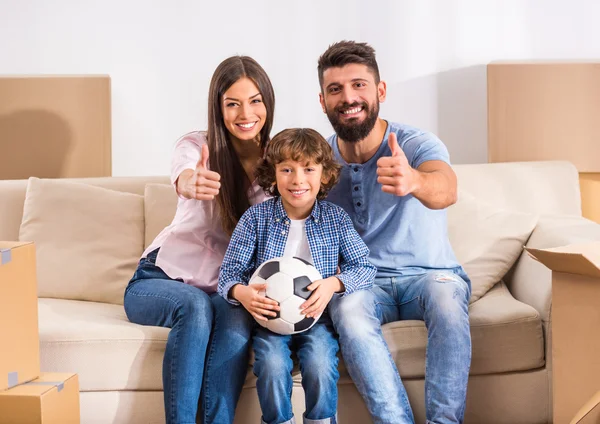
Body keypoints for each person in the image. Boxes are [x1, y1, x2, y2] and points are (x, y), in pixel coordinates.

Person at [317, 40, 472, 424]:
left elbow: (447, 189)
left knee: (449, 304)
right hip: (363, 281)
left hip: (429, 274)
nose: (348, 98)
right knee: (348, 311)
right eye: (335, 90)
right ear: (322, 101)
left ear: (380, 91)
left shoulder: (415, 144)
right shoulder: (318, 160)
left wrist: (414, 180)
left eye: (359, 85)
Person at [123, 55, 275, 424]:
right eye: (232, 103)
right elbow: (183, 169)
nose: (245, 113)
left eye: (255, 100)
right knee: (194, 307)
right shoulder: (198, 146)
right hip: (159, 280)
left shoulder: (277, 165)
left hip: (225, 290)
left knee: (236, 322)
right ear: (217, 107)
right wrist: (189, 181)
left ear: (268, 103)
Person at [218, 128, 377, 424]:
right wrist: (242, 294)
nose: (298, 180)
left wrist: (334, 284)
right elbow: (229, 273)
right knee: (272, 364)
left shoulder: (336, 219)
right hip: (269, 323)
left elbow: (365, 267)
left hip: (317, 320)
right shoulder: (256, 219)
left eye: (308, 169)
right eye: (287, 169)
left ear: (325, 175)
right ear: (273, 174)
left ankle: (321, 421)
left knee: (319, 363)